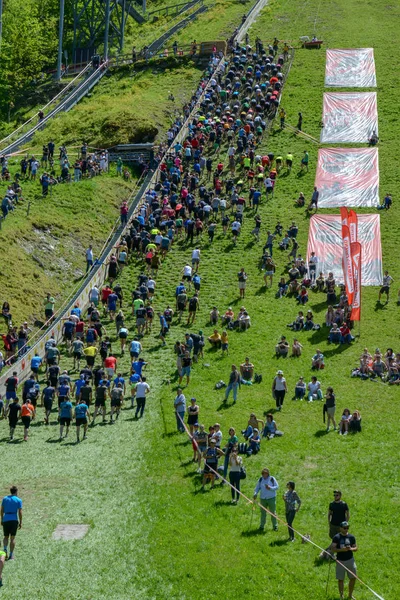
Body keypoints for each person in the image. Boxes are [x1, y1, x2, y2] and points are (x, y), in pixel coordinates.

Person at [332, 522, 358, 600]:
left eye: (347, 527)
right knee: (341, 579)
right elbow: (333, 549)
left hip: (350, 560)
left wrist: (351, 549)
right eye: (344, 528)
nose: (346, 529)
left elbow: (356, 548)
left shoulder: (351, 537)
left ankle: (350, 595)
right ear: (340, 528)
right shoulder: (336, 537)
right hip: (340, 561)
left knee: (353, 578)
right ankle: (341, 596)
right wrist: (341, 550)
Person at [1, 485, 22, 560]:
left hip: (6, 519)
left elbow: (2, 510)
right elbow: (20, 512)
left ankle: (5, 549)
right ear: (16, 491)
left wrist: (2, 519)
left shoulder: (5, 499)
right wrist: (20, 522)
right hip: (14, 519)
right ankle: (11, 554)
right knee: (12, 538)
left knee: (6, 536)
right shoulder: (18, 500)